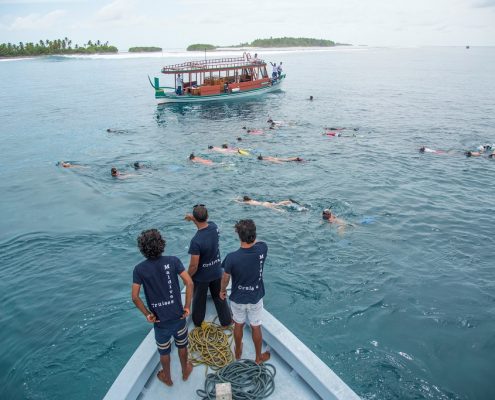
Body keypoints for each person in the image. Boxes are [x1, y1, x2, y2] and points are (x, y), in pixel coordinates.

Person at [131, 229, 194, 386]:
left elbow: (135, 297)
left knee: (164, 351)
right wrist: (187, 306)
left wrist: (147, 314)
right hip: (178, 317)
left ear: (142, 249)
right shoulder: (173, 261)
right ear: (161, 244)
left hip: (160, 323)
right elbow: (189, 282)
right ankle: (185, 371)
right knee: (182, 345)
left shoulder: (139, 269)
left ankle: (167, 377)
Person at [219, 219, 270, 364]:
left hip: (237, 299)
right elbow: (258, 242)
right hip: (255, 298)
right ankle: (258, 357)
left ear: (239, 236)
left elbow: (226, 277)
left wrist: (222, 291)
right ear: (254, 234)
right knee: (256, 326)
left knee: (238, 324)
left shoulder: (231, 257)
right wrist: (251, 235)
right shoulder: (262, 249)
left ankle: (238, 351)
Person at [185, 205, 232, 327]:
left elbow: (194, 266)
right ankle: (226, 321)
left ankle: (198, 322)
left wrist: (187, 277)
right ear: (207, 216)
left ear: (195, 218)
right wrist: (193, 218)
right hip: (217, 272)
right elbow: (203, 224)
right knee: (220, 298)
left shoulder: (196, 241)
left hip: (202, 278)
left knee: (199, 301)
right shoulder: (214, 227)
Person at [237, 196, 303, 211]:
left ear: (245, 200)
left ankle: (283, 212)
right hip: (264, 202)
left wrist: (235, 200)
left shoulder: (248, 203)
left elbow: (240, 202)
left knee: (276, 209)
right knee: (277, 204)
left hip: (263, 205)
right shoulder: (251, 200)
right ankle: (288, 201)